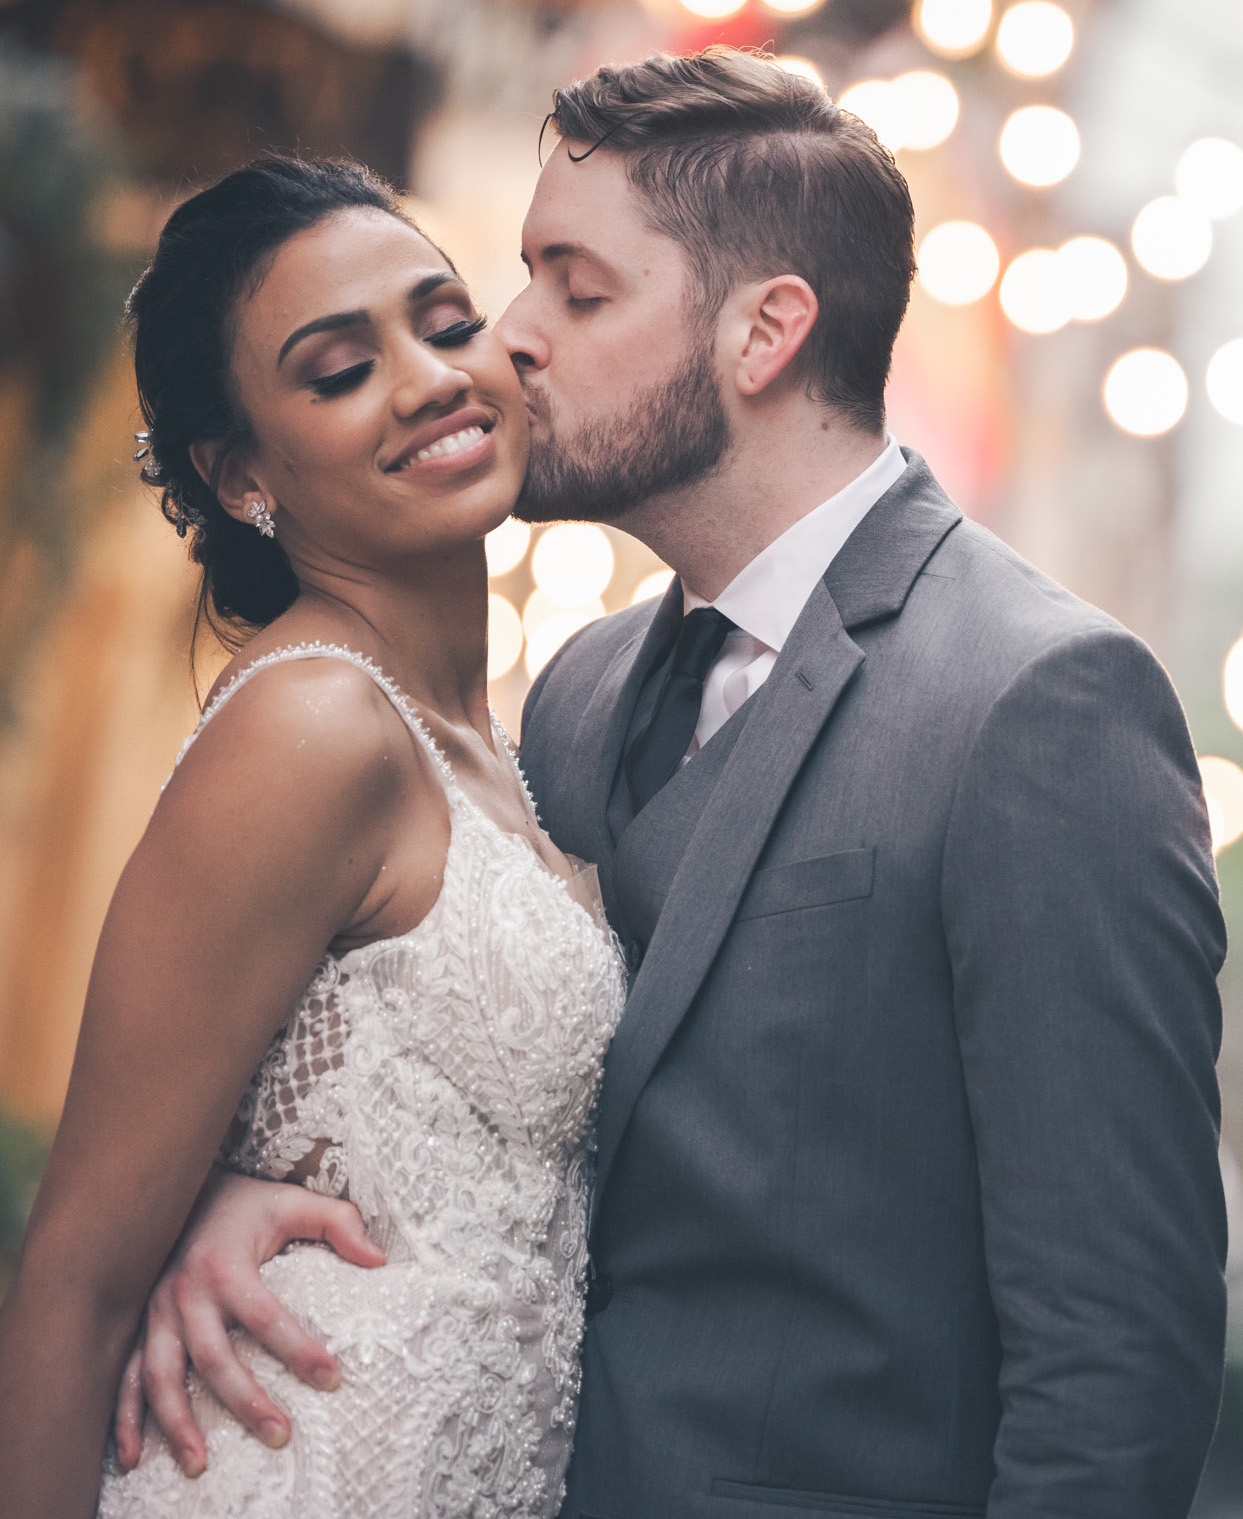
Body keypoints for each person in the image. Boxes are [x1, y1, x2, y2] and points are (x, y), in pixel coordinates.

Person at [115, 48, 1227, 1519]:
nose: (506, 342)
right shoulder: (569, 699)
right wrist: (229, 1198)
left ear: (765, 333)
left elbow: (1115, 1358)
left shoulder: (1041, 703)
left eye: (575, 290)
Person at [0, 156, 625, 1519]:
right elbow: (76, 1275)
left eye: (447, 322)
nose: (429, 379)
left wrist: (235, 1182)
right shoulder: (313, 727)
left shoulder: (509, 741)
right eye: (340, 371)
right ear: (241, 476)